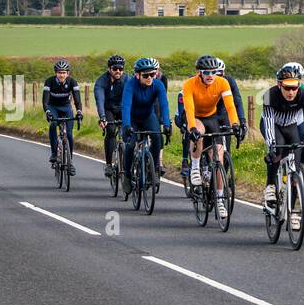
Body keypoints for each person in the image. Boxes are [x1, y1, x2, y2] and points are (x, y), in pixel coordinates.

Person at [180, 55, 244, 220]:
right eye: (206, 72)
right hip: (196, 116)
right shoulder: (189, 84)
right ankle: (195, 167)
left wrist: (236, 124)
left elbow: (230, 105)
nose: (210, 75)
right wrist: (192, 127)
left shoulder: (222, 83)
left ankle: (220, 199)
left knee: (219, 158)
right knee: (199, 134)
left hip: (212, 117)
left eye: (213, 72)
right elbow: (188, 107)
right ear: (199, 72)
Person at [260, 64, 304, 228]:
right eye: (287, 88)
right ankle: (271, 186)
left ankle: (293, 212)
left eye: (294, 87)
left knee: (296, 167)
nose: (291, 92)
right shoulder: (269, 95)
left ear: (298, 85)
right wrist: (271, 148)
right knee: (277, 150)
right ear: (279, 84)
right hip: (273, 125)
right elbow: (269, 123)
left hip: (292, 125)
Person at [119, 57, 170, 193]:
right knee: (130, 145)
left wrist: (166, 124)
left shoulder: (158, 85)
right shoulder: (130, 85)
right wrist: (126, 126)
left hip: (148, 116)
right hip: (132, 118)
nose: (150, 78)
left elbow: (164, 105)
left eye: (152, 74)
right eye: (146, 75)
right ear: (137, 75)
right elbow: (126, 106)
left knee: (157, 138)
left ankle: (153, 169)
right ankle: (128, 177)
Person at [43, 58, 82, 176]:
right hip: (53, 107)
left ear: (68, 73)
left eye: (64, 72)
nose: (62, 75)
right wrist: (48, 112)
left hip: (66, 108)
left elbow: (77, 100)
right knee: (53, 124)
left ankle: (70, 163)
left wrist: (79, 112)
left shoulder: (72, 82)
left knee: (69, 134)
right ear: (56, 73)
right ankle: (54, 153)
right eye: (60, 72)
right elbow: (45, 101)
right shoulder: (49, 82)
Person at [93, 55, 127, 177]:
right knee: (111, 131)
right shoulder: (101, 81)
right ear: (109, 69)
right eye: (115, 68)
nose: (118, 71)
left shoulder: (127, 80)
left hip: (123, 109)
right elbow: (100, 100)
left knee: (128, 132)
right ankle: (108, 164)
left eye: (121, 68)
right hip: (108, 110)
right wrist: (102, 117)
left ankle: (128, 164)